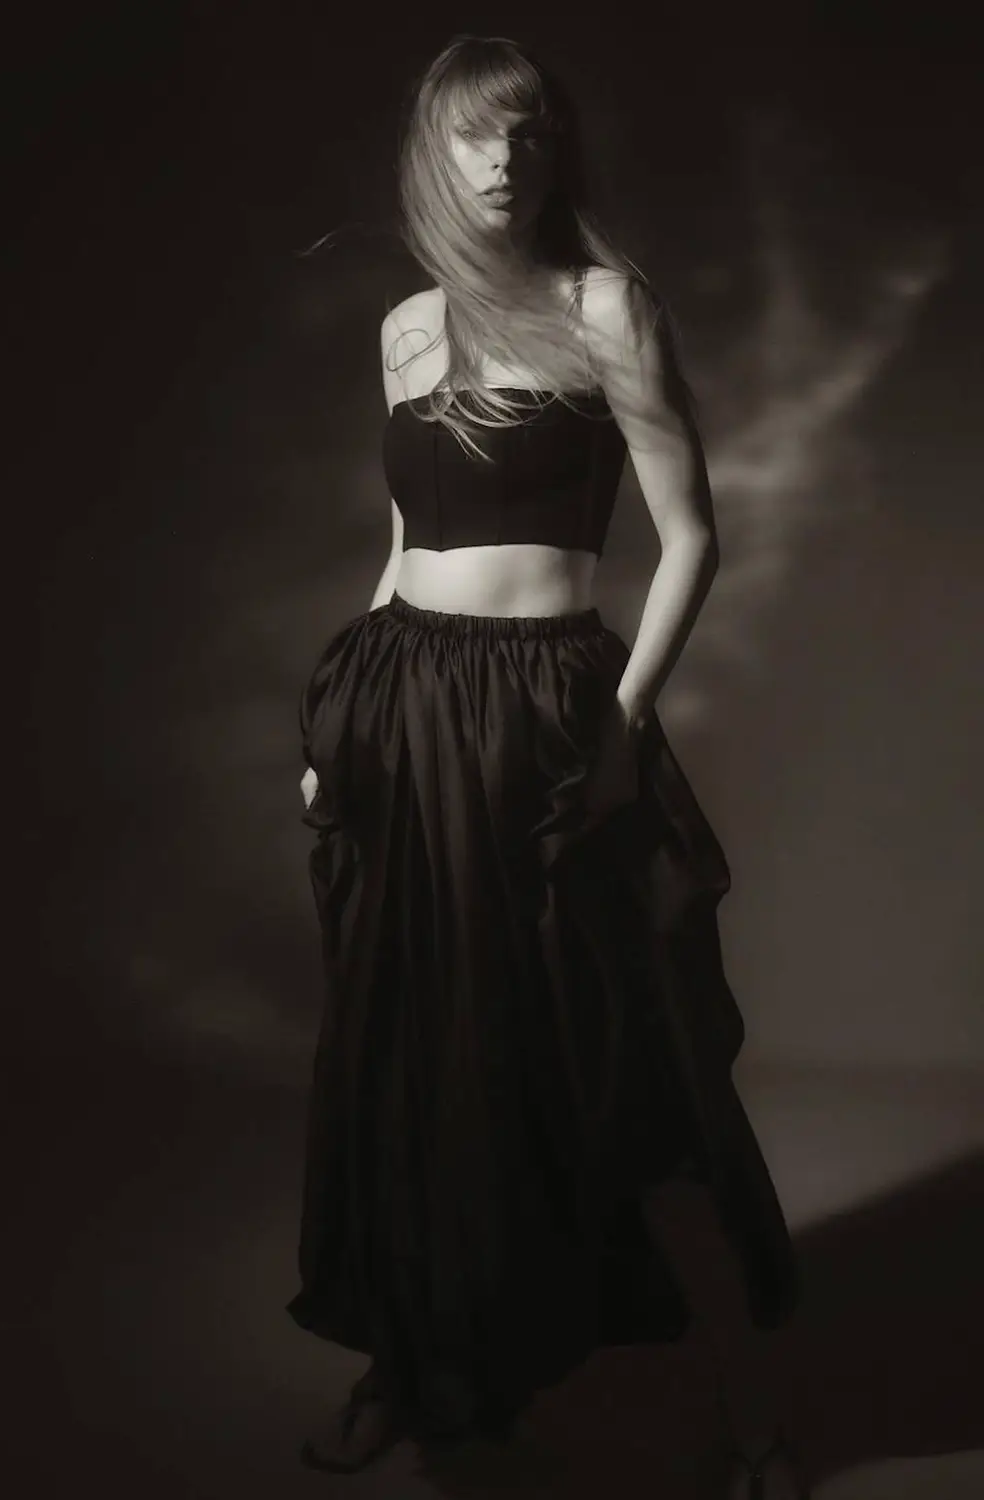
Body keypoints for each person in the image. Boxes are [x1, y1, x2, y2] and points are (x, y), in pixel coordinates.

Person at [288, 34, 810, 1496]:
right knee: (410, 1057)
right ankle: (408, 1368)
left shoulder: (605, 307)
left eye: (526, 133)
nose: (504, 160)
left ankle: (757, 1420)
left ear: (554, 148)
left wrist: (623, 723)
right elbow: (404, 544)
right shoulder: (404, 331)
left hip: (551, 714)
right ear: (432, 153)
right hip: (402, 706)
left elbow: (692, 537)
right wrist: (340, 739)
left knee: (622, 1072)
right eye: (475, 135)